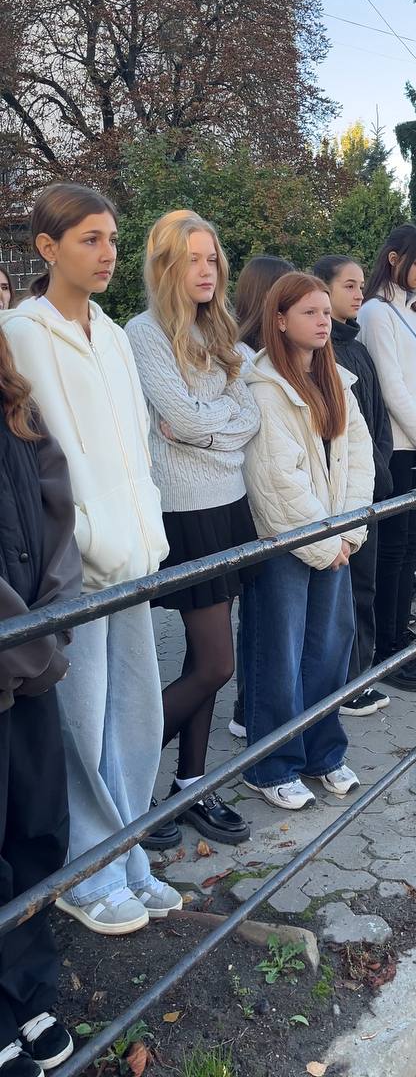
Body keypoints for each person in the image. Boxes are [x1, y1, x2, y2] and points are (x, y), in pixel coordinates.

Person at [2, 183, 177, 937]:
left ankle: (128, 853)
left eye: (112, 238)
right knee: (83, 724)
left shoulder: (110, 332)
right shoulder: (24, 331)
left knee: (136, 719)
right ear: (48, 248)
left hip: (135, 558)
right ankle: (89, 871)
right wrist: (86, 536)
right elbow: (44, 455)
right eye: (89, 240)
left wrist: (147, 529)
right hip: (78, 567)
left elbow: (134, 442)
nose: (108, 253)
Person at [126, 211, 260, 846]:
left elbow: (249, 416)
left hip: (228, 503)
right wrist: (217, 423)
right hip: (185, 510)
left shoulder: (222, 331)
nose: (207, 271)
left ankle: (190, 787)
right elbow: (173, 416)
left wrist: (209, 430)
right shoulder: (144, 333)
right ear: (167, 266)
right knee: (215, 665)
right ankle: (119, 779)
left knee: (208, 656)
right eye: (195, 260)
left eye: (213, 259)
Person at [240, 273, 375, 811]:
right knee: (280, 654)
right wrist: (326, 542)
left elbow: (358, 455)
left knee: (328, 650)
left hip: (333, 538)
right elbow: (276, 480)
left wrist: (348, 531)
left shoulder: (337, 379)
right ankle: (272, 763)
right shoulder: (263, 386)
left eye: (326, 312)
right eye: (310, 313)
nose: (323, 321)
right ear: (279, 319)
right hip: (285, 543)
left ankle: (323, 753)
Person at [0, 326, 81, 1076]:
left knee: (36, 828)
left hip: (30, 664)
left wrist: (52, 625)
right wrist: (32, 640)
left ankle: (26, 982)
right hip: (11, 654)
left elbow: (62, 523)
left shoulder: (16, 408)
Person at [357, 225, 416, 692]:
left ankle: (399, 632)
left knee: (412, 546)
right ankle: (386, 644)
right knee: (392, 550)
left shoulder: (413, 316)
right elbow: (391, 385)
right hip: (399, 446)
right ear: (394, 258)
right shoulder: (376, 313)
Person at [312, 254, 393, 716]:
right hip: (347, 491)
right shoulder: (328, 351)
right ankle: (348, 680)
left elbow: (374, 418)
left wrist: (379, 467)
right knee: (349, 588)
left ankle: (359, 671)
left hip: (371, 480)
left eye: (361, 285)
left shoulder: (355, 345)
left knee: (365, 586)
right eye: (348, 285)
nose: (359, 292)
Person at [229, 254, 294, 741]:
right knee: (259, 608)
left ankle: (252, 702)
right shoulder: (239, 354)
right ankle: (249, 706)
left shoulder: (269, 354)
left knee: (263, 609)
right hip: (247, 491)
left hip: (265, 489)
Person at [235, 254, 295, 364]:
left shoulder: (290, 344)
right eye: (287, 291)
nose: (296, 299)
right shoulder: (239, 355)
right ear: (264, 294)